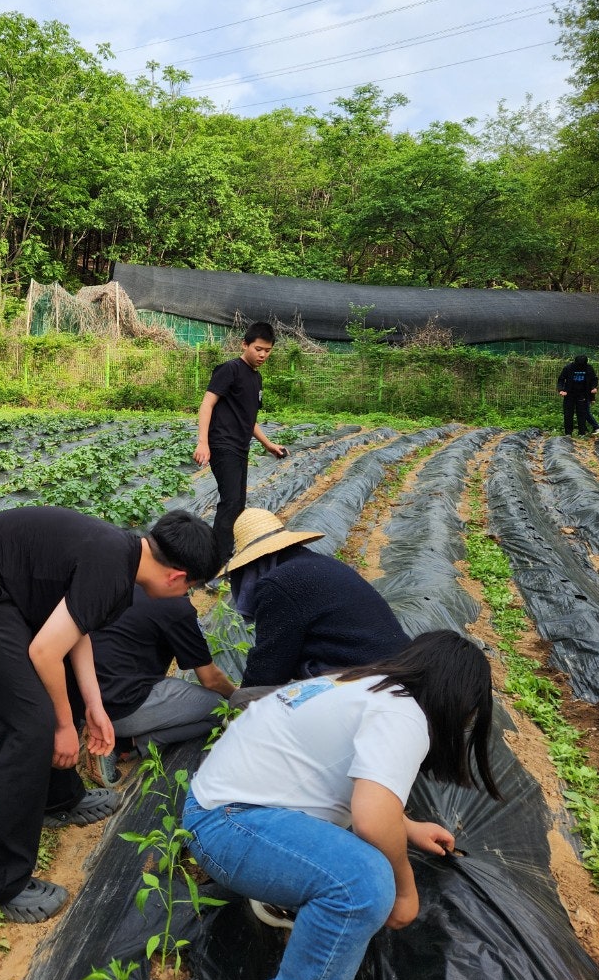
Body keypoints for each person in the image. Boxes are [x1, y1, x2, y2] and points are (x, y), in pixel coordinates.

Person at [182, 631, 501, 980]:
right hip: (227, 825)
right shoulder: (403, 715)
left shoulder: (363, 685)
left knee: (368, 849)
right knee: (365, 882)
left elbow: (348, 783)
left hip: (225, 807)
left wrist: (407, 827)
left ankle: (289, 896)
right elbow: (370, 817)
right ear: (455, 699)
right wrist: (404, 891)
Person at [0, 505, 219, 923]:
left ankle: (58, 799)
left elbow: (76, 634)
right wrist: (66, 726)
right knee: (30, 726)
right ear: (177, 576)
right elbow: (44, 651)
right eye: (191, 588)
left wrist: (93, 705)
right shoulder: (112, 569)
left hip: (14, 586)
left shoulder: (123, 558)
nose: (186, 596)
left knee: (60, 690)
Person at [227, 508, 410, 691]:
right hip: (401, 670)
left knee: (251, 701)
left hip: (374, 683)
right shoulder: (316, 564)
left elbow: (267, 671)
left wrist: (240, 704)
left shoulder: (279, 583)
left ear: (252, 565)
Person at [84, 586, 236, 786]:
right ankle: (120, 743)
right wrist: (237, 696)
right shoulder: (175, 606)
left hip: (86, 700)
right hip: (121, 709)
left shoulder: (127, 584)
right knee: (219, 708)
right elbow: (210, 678)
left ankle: (114, 736)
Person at [193, 322, 289, 569]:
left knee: (237, 503)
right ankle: (216, 563)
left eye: (267, 351)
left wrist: (268, 445)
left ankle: (223, 553)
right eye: (258, 349)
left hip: (240, 447)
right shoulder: (230, 370)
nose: (262, 355)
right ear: (244, 345)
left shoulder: (256, 379)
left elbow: (249, 419)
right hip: (223, 444)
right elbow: (207, 405)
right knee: (231, 503)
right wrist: (203, 442)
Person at [557, 354, 599, 436]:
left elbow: (594, 379)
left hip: (583, 394)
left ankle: (582, 433)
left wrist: (594, 387)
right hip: (569, 394)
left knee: (582, 413)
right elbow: (561, 379)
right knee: (568, 413)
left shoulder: (589, 368)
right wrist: (561, 390)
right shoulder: (568, 368)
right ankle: (568, 433)